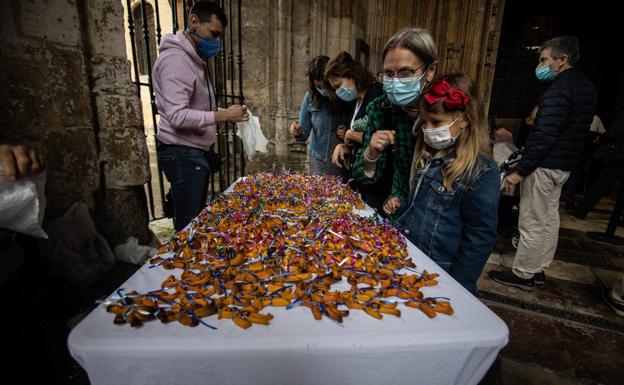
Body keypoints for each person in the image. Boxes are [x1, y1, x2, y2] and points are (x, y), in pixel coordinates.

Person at [489, 36, 598, 290]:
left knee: (531, 222)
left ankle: (523, 274)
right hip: (564, 165)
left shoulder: (559, 91)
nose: (540, 65)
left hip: (544, 166)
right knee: (549, 220)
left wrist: (520, 170)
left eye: (544, 60)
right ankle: (538, 269)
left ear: (562, 60)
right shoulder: (586, 88)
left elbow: (544, 136)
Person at [383, 74, 500, 294]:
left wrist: (459, 288)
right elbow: (424, 205)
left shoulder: (482, 172)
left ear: (463, 119)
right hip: (408, 262)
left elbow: (480, 237)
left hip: (441, 275)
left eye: (436, 122)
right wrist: (401, 203)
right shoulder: (427, 157)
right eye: (425, 122)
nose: (427, 130)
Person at [153, 0, 249, 231]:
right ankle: (182, 263)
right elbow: (177, 116)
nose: (216, 42)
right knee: (188, 223)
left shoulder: (193, 58)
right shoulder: (177, 60)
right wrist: (222, 116)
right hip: (182, 153)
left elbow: (191, 106)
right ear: (194, 22)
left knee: (194, 216)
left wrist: (223, 113)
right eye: (213, 34)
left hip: (192, 151)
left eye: (219, 37)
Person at [350, 27, 438, 213]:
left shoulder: (445, 113)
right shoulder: (379, 109)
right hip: (389, 211)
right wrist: (371, 154)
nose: (396, 81)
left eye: (406, 73)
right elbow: (363, 177)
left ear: (430, 71)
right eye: (389, 74)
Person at [289, 55, 349, 176]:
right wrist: (297, 131)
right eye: (318, 86)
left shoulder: (343, 95)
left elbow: (356, 123)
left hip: (341, 157)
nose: (322, 89)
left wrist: (348, 132)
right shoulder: (310, 98)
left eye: (325, 86)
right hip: (318, 159)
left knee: (339, 192)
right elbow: (303, 135)